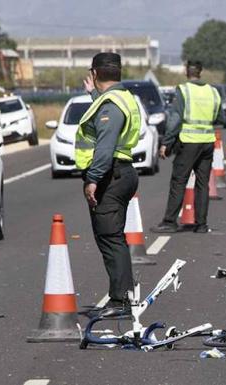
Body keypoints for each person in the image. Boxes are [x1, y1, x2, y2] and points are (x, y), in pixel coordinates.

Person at [75, 52, 140, 316]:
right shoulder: (119, 98)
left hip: (110, 176)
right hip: (120, 173)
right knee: (113, 238)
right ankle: (123, 295)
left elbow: (105, 146)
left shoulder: (112, 103)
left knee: (111, 239)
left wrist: (93, 179)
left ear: (95, 73)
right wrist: (93, 94)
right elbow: (106, 120)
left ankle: (120, 300)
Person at [150, 61, 226, 234]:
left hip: (188, 142)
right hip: (207, 142)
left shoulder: (184, 90)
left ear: (187, 71)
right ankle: (201, 224)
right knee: (202, 184)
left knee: (179, 181)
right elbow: (222, 118)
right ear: (201, 72)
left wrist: (167, 142)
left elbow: (175, 118)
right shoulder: (213, 91)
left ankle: (170, 222)